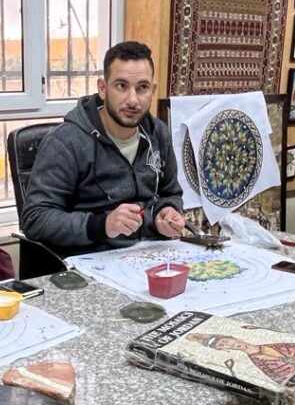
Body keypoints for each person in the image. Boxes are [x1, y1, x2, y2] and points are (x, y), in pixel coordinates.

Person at [20, 40, 186, 258]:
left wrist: (167, 211)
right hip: (90, 261)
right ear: (103, 88)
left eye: (142, 88)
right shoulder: (65, 142)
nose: (133, 100)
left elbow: (170, 193)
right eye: (121, 86)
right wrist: (102, 224)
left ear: (152, 90)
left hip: (150, 254)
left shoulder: (158, 133)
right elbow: (35, 219)